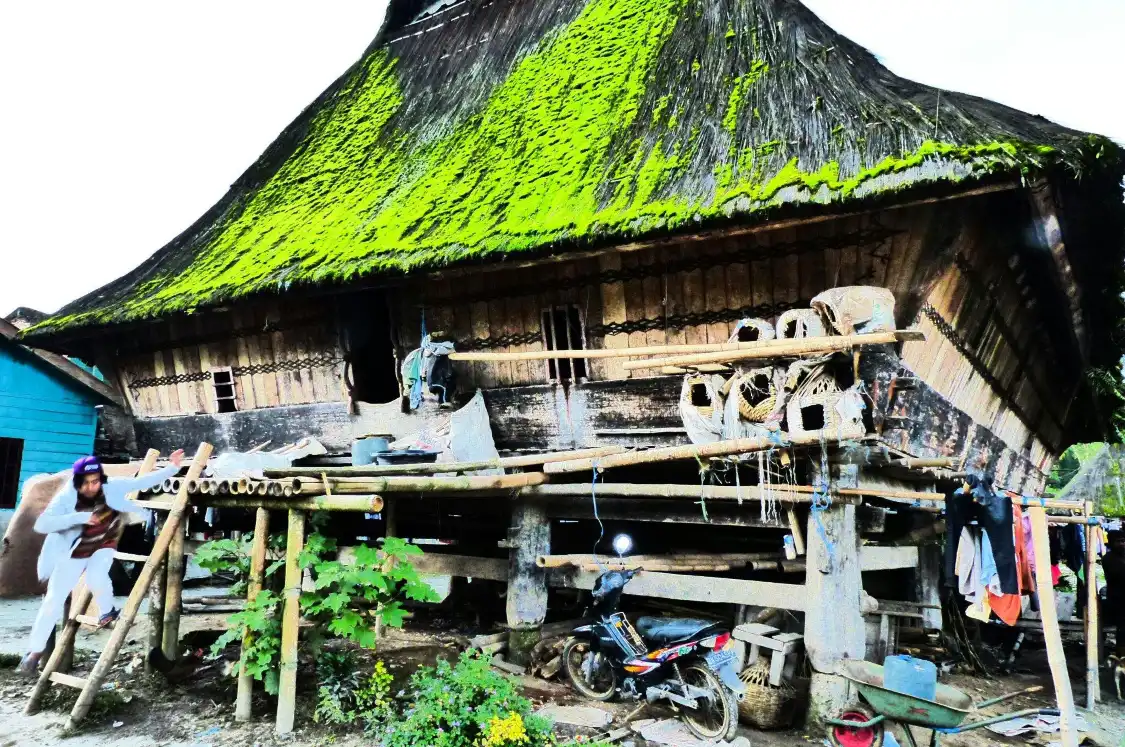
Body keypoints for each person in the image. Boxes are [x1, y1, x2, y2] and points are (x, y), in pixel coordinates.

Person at [16, 450, 184, 676]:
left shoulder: (111, 487)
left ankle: (108, 610)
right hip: (72, 550)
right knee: (52, 601)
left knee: (98, 578)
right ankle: (33, 654)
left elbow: (143, 481)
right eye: (86, 482)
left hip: (103, 545)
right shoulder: (66, 498)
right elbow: (42, 525)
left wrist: (172, 468)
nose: (91, 487)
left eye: (95, 481)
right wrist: (79, 518)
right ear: (77, 482)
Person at [1104, 530, 1125, 657]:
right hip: (1118, 599)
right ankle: (1122, 656)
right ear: (1111, 543)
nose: (1122, 544)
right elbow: (1120, 575)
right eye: (1118, 541)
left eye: (1123, 541)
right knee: (1122, 629)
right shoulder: (1108, 559)